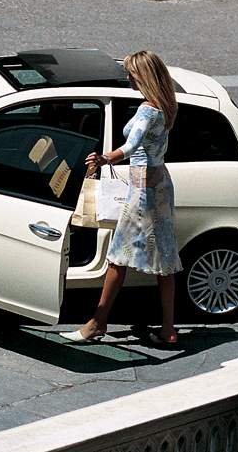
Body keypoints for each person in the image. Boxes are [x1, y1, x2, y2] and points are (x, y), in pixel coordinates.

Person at [60, 50, 182, 345]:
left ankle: (97, 323)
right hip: (160, 186)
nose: (127, 77)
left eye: (131, 73)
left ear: (142, 76)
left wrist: (105, 158)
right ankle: (168, 329)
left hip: (143, 193)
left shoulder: (147, 110)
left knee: (117, 257)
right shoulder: (166, 106)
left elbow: (132, 144)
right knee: (164, 260)